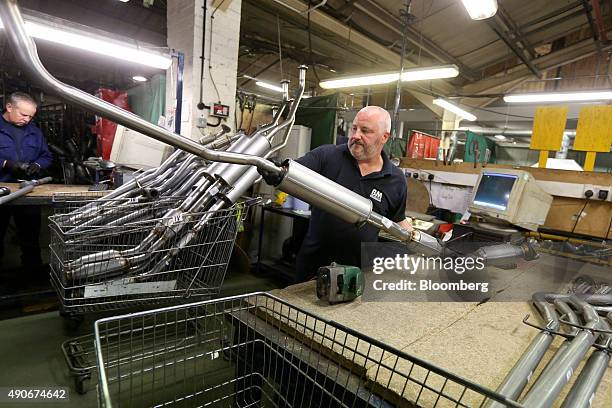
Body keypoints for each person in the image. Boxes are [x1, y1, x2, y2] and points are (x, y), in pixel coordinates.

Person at [262, 106, 411, 283]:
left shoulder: (396, 179)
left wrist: (420, 244)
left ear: (384, 137)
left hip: (356, 273)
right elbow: (291, 173)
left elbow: (398, 221)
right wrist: (276, 171)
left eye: (365, 131)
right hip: (312, 267)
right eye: (354, 128)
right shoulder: (327, 156)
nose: (356, 135)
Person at [0, 92, 53, 271]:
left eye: (31, 116)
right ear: (9, 107)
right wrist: (6, 163)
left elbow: (46, 155)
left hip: (29, 193)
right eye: (24, 114)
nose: (27, 120)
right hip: (2, 191)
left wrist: (38, 165)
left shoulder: (34, 131)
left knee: (30, 238)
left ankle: (32, 273)